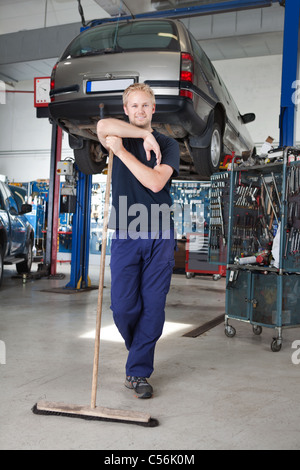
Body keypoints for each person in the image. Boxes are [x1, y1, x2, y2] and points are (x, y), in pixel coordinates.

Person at [96, 83, 180, 399]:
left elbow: (156, 183)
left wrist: (120, 152)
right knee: (123, 306)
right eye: (134, 106)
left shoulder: (167, 144)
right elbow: (102, 126)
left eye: (146, 105)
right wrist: (137, 138)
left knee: (154, 308)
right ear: (127, 109)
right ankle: (140, 347)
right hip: (126, 233)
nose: (140, 111)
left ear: (153, 109)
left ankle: (138, 373)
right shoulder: (119, 134)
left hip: (160, 233)